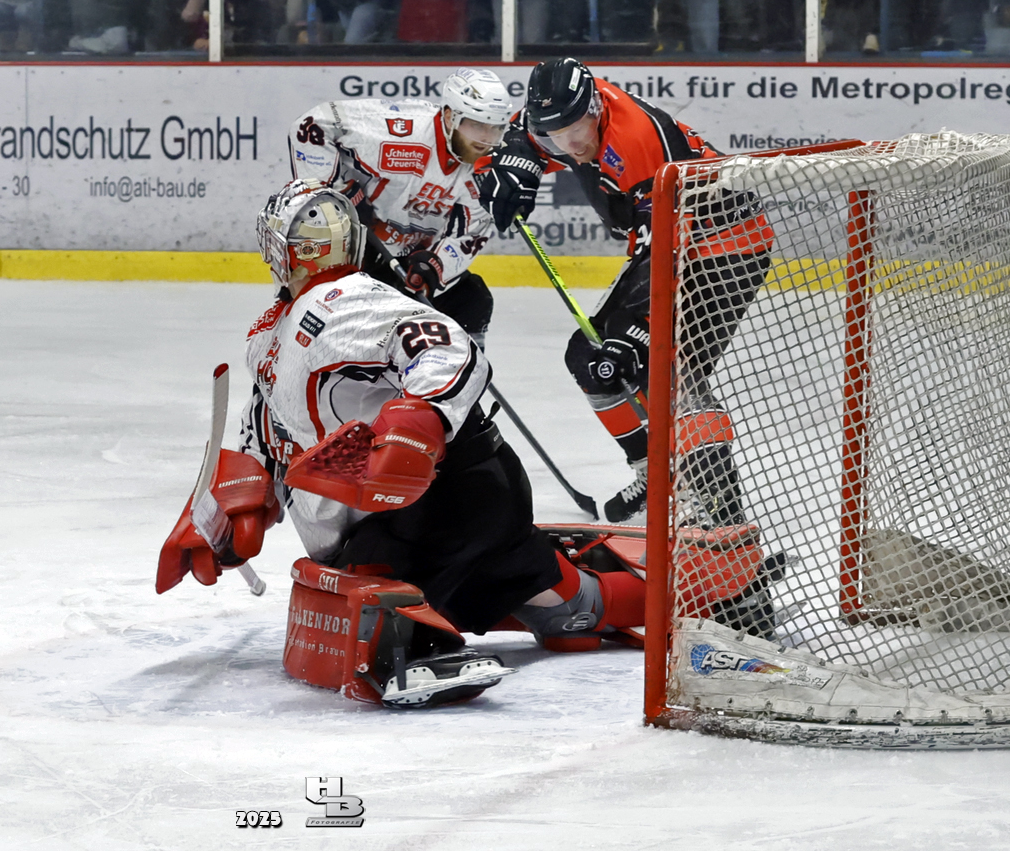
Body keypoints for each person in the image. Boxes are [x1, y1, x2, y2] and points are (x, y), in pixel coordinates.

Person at [158, 178, 650, 706]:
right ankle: (641, 593)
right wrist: (234, 502)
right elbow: (268, 423)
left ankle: (678, 592)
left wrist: (418, 423)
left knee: (375, 588)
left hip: (439, 506)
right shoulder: (267, 332)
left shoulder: (347, 300)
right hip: (425, 514)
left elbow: (448, 347)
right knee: (563, 602)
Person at [475, 58, 771, 527]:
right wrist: (511, 166)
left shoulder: (638, 141)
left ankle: (721, 513)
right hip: (666, 245)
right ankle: (655, 474)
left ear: (595, 107)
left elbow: (669, 251)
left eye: (576, 130)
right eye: (556, 136)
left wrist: (637, 328)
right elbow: (520, 131)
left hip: (726, 249)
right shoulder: (568, 116)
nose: (570, 147)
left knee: (668, 372)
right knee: (590, 357)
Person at [286, 68, 511, 346]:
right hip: (355, 252)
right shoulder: (400, 130)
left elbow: (469, 236)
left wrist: (433, 267)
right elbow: (311, 126)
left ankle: (455, 371)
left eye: (495, 129)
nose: (485, 139)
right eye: (477, 125)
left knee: (472, 298)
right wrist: (338, 198)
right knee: (335, 313)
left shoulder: (493, 173)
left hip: (406, 263)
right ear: (450, 116)